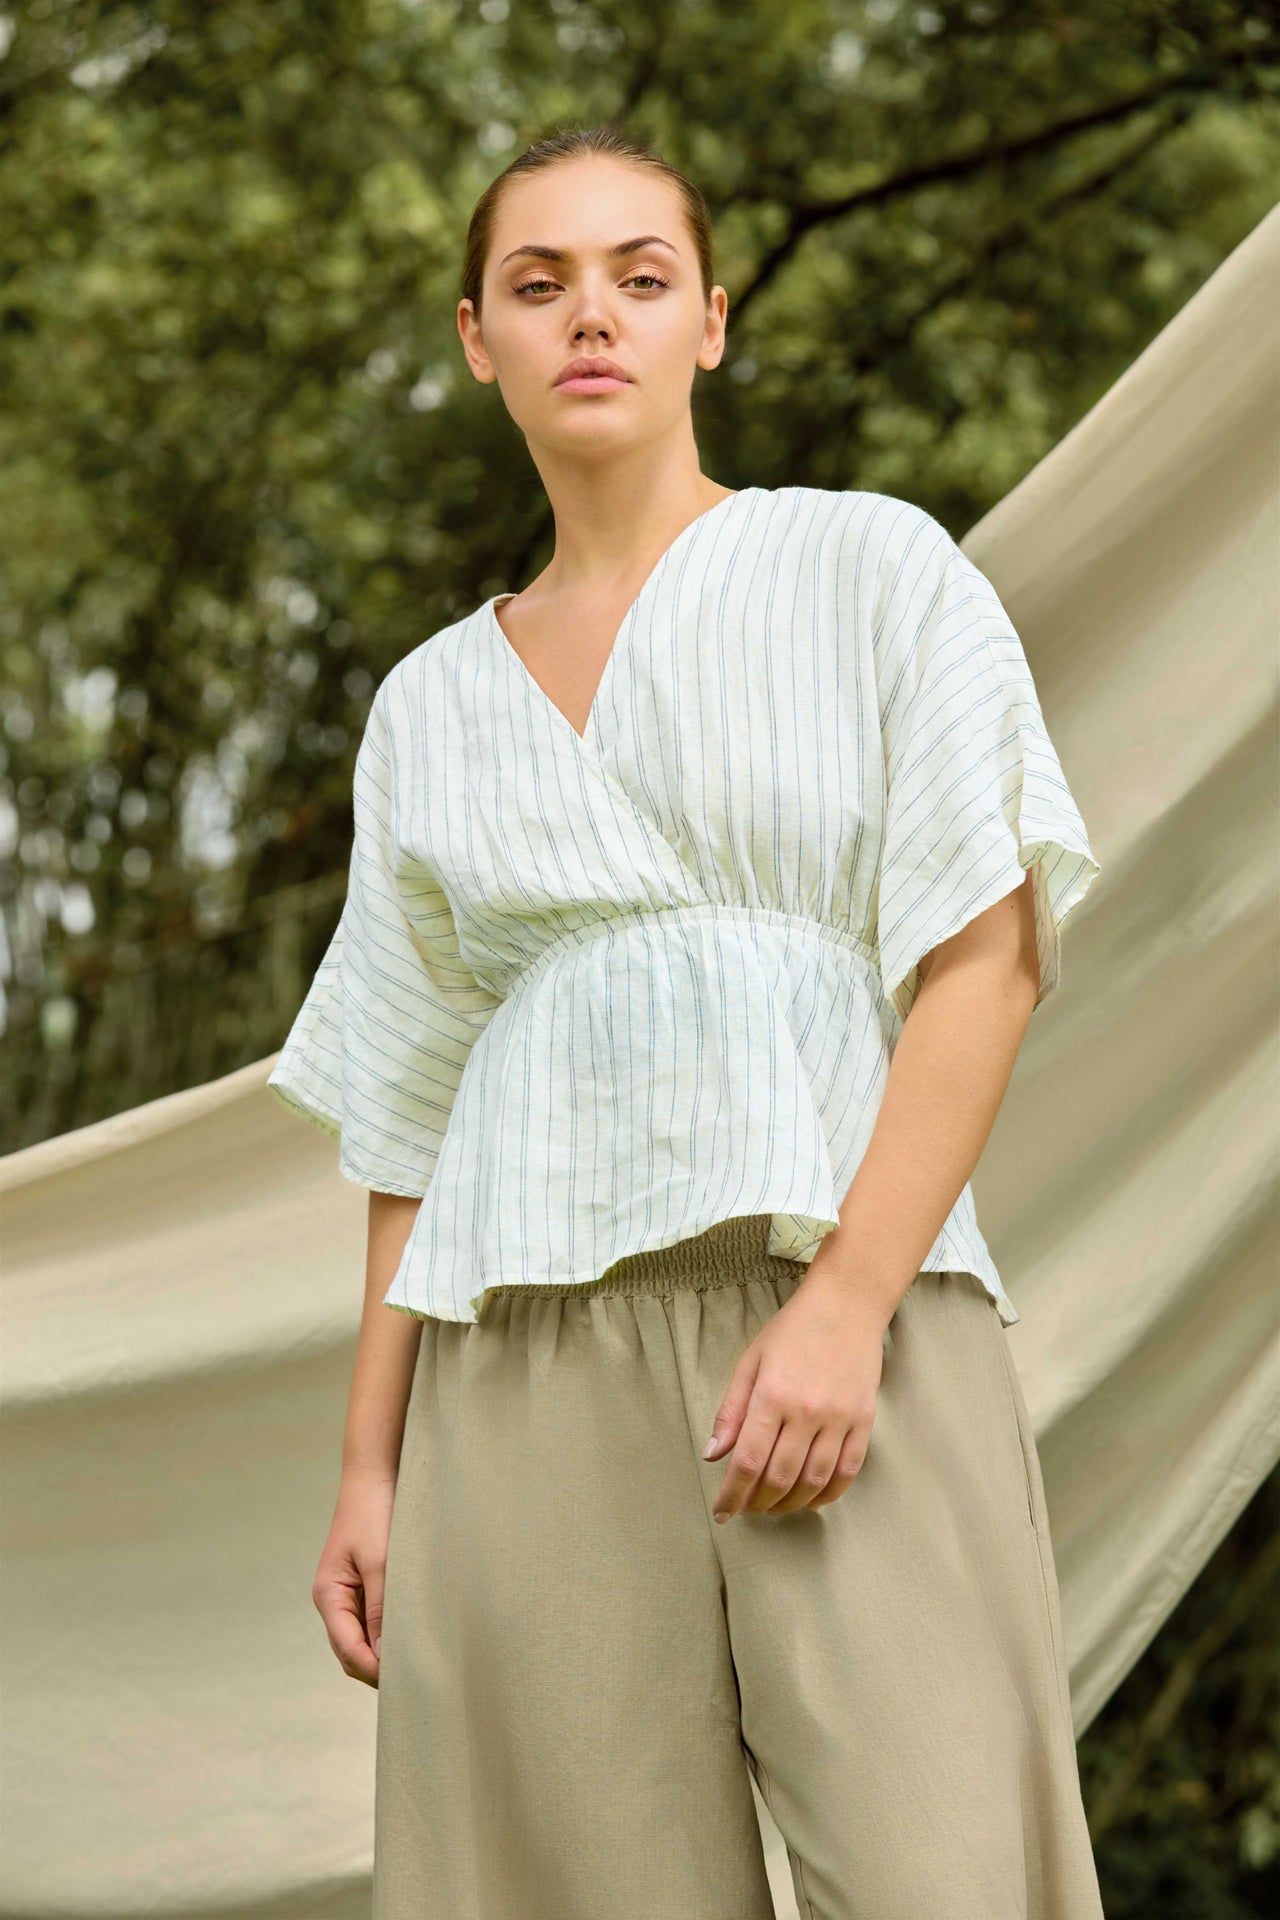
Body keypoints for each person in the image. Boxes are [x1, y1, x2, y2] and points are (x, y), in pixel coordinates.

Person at [268, 124, 1107, 1920]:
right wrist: (368, 1467)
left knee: (948, 1872)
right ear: (478, 338)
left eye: (640, 277)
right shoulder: (428, 708)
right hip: (522, 1364)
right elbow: (414, 1116)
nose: (593, 316)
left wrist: (848, 1306)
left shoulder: (872, 569)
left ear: (710, 323)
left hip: (849, 1310)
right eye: (538, 283)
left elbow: (987, 958)